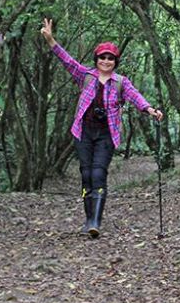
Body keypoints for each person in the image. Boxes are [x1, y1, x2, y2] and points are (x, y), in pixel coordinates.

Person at [41, 18, 164, 238]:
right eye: (102, 57)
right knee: (86, 174)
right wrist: (51, 40)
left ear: (115, 61)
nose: (106, 61)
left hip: (107, 134)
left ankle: (95, 222)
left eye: (110, 58)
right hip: (83, 132)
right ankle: (89, 219)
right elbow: (67, 61)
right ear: (96, 59)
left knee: (99, 173)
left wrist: (149, 109)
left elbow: (135, 96)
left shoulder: (120, 82)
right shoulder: (85, 76)